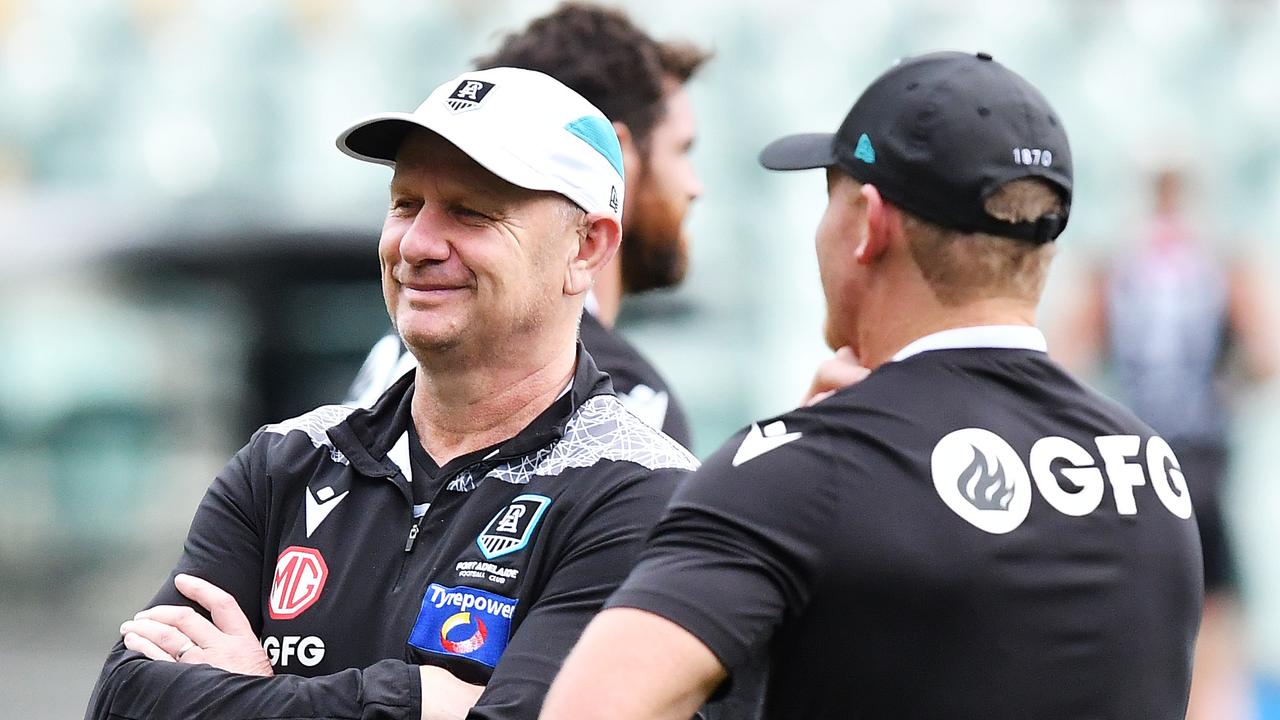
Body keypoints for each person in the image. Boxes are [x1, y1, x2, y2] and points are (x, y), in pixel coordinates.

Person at [541, 51, 1204, 720]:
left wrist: (787, 469)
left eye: (828, 198)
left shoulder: (798, 470)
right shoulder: (1150, 467)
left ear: (867, 224)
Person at [85, 66, 697, 720]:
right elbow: (124, 698)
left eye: (470, 212)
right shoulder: (284, 462)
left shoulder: (645, 493)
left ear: (588, 247)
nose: (418, 243)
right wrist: (422, 702)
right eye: (405, 203)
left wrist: (247, 695)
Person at [347, 2, 708, 448]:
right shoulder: (626, 399)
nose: (694, 186)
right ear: (615, 160)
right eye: (681, 149)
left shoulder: (406, 349)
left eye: (471, 211)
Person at [1055, 167, 1275, 720]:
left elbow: (1062, 357)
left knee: (1138, 614)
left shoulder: (1118, 265)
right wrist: (1226, 383)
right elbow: (1266, 356)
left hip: (1136, 463)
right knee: (1215, 623)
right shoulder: (1218, 262)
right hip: (1199, 465)